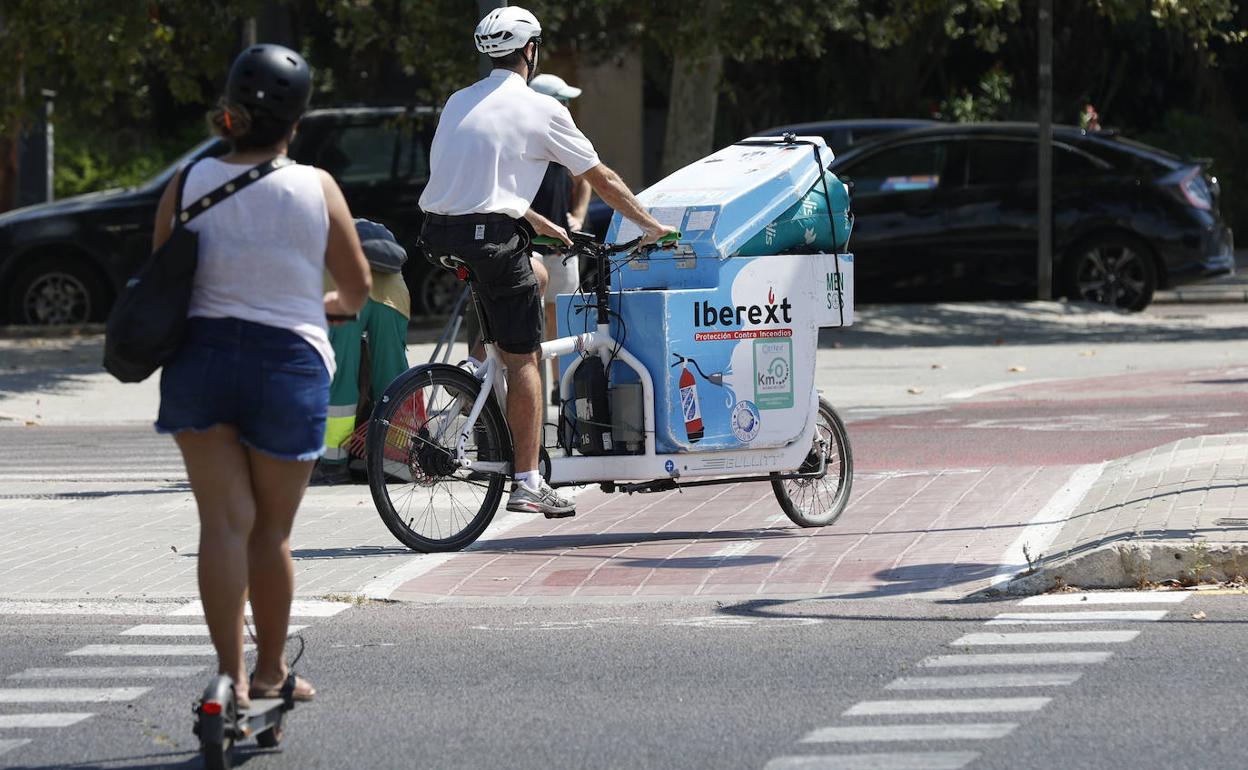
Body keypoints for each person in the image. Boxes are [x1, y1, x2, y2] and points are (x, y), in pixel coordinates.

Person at [152, 44, 371, 708]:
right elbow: (358, 289)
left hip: (201, 361)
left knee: (223, 525)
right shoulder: (315, 186)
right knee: (270, 533)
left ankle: (230, 678)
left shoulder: (187, 183)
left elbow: (160, 273)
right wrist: (326, 306)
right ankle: (273, 670)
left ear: (231, 112)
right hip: (287, 364)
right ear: (297, 122)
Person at [418, 6, 677, 518]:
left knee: (535, 273)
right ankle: (527, 480)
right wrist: (651, 226)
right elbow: (600, 177)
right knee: (528, 357)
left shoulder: (456, 102)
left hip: (438, 234)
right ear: (530, 52)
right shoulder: (543, 109)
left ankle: (481, 368)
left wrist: (535, 220)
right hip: (491, 238)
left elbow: (474, 186)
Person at [314, 219, 412, 485]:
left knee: (341, 376)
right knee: (394, 378)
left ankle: (333, 464)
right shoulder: (373, 232)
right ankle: (395, 460)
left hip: (341, 288)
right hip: (392, 294)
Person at [528, 73, 592, 402]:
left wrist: (577, 216)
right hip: (527, 248)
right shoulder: (522, 136)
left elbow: (586, 179)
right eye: (562, 100)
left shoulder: (565, 136)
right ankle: (537, 392)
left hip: (561, 246)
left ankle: (561, 388)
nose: (568, 106)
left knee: (564, 317)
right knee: (532, 323)